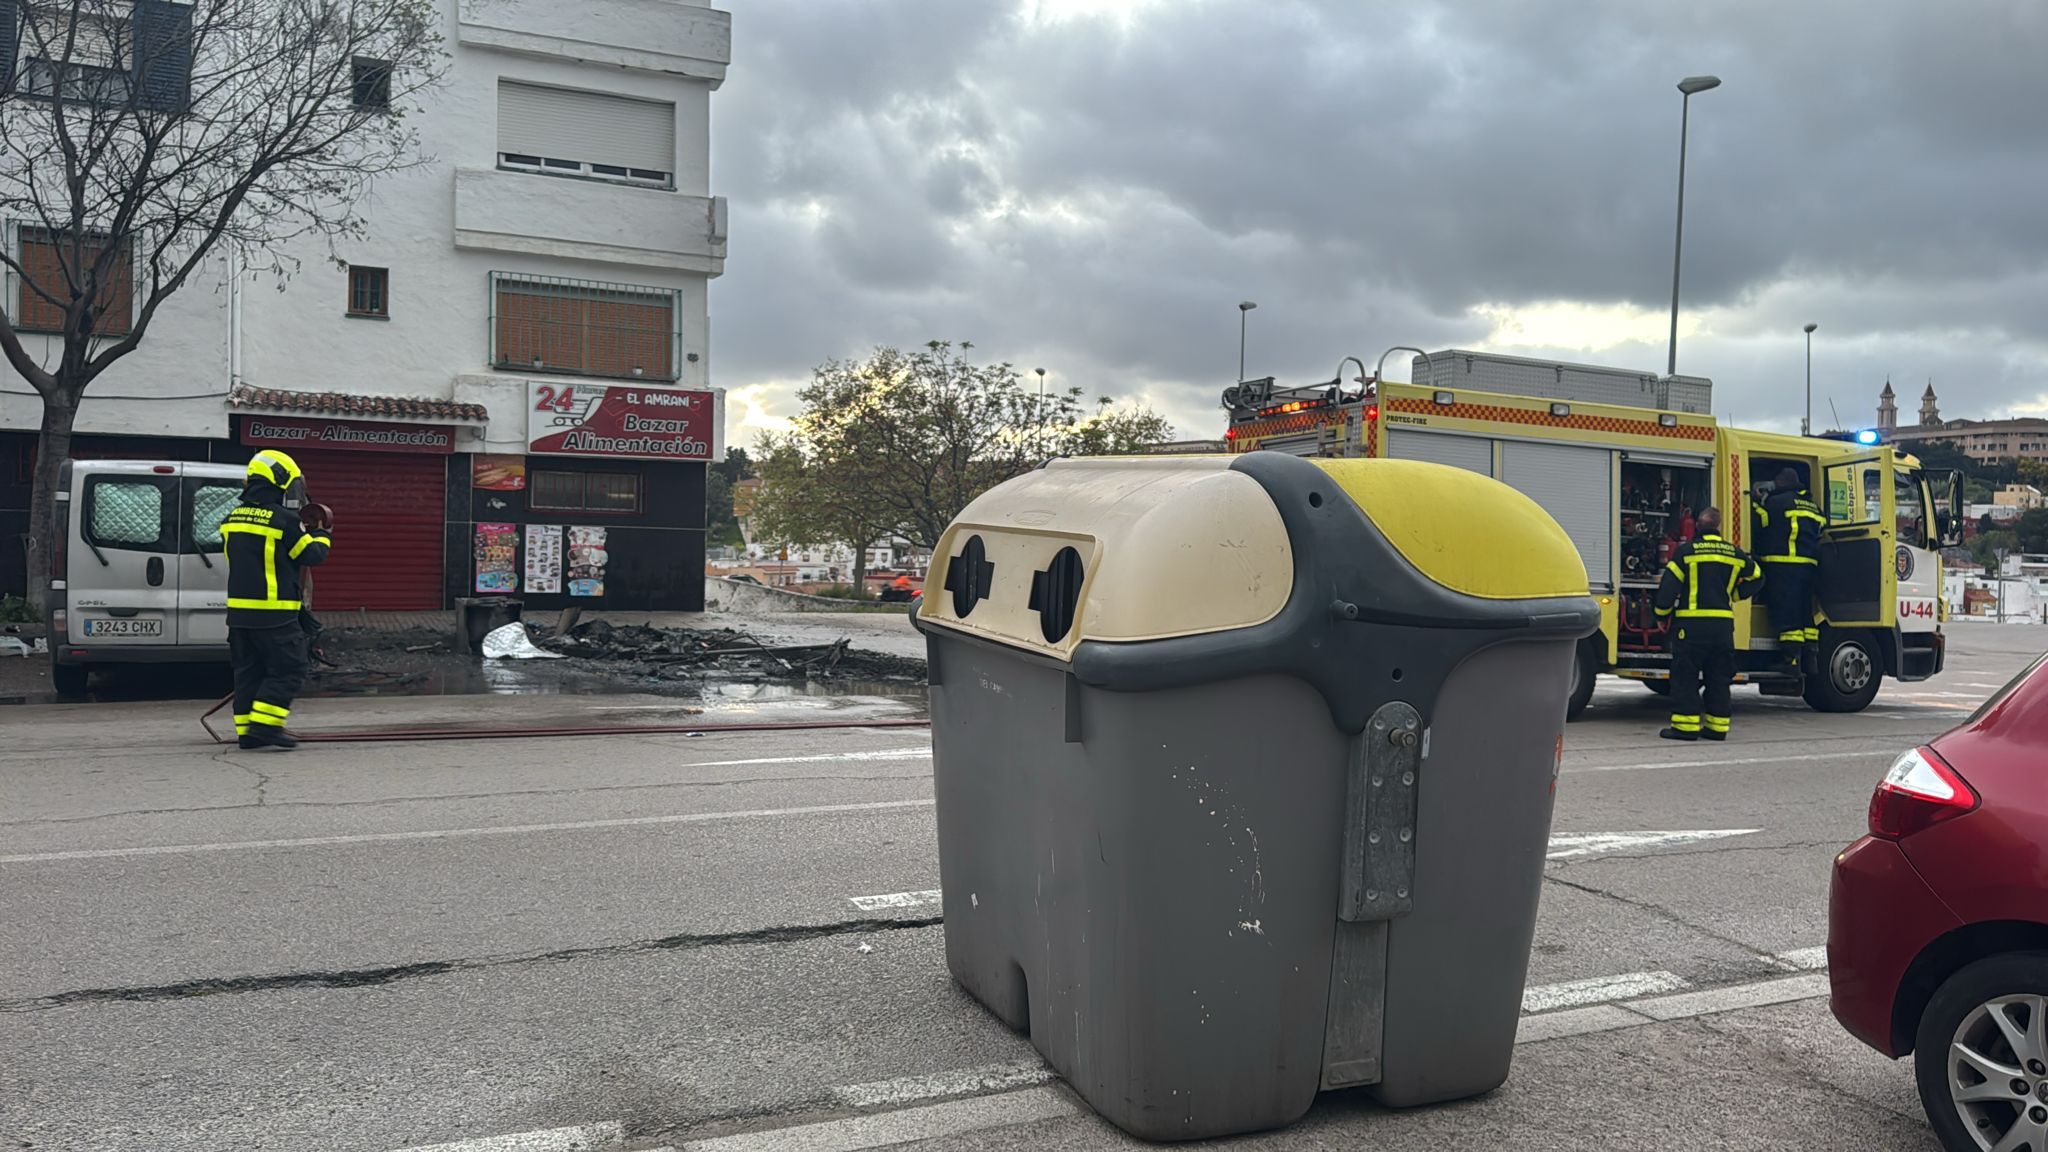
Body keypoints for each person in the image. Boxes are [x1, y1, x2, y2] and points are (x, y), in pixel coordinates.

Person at [220, 449, 331, 751]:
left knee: (248, 673)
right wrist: (322, 533)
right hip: (274, 616)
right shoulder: (283, 520)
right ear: (280, 482)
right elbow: (312, 555)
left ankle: (247, 733)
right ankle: (266, 727)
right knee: (290, 669)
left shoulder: (231, 519)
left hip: (239, 618)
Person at [1654, 506, 1762, 742]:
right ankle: (1717, 728)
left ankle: (1686, 727)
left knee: (1686, 676)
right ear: (1718, 526)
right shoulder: (1733, 553)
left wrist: (1661, 614)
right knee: (1719, 677)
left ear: (1698, 527)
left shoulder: (1686, 552)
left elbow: (1669, 587)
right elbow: (1758, 575)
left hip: (1691, 627)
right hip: (1722, 627)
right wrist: (1736, 594)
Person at [1754, 467, 1825, 671]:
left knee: (1786, 612)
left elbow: (1761, 522)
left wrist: (1757, 502)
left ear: (1782, 483)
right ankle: (1810, 659)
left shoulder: (1776, 502)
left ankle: (1790, 660)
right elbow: (1822, 527)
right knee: (1805, 612)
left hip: (1783, 565)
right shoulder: (1812, 506)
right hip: (1809, 566)